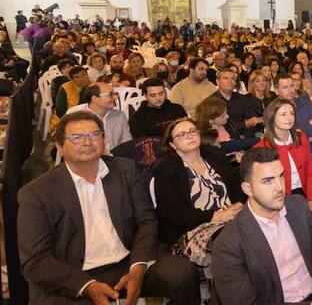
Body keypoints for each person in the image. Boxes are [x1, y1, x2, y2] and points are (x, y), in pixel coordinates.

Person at [18, 111, 199, 304]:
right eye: (77, 137)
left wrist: (138, 267)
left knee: (182, 273)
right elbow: (36, 259)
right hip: (75, 272)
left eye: (94, 134)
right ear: (60, 147)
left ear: (104, 140)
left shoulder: (125, 169)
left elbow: (146, 221)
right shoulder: (37, 192)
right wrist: (87, 286)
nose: (88, 142)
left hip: (128, 260)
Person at [211, 147, 312, 304]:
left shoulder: (298, 206)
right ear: (248, 189)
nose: (279, 187)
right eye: (267, 181)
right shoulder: (227, 245)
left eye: (280, 176)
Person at [153, 117, 245, 246]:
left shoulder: (214, 154)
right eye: (182, 135)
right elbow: (173, 213)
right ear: (172, 144)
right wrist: (217, 216)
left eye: (192, 131)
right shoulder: (165, 169)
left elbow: (236, 185)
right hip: (193, 230)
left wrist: (238, 204)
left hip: (231, 218)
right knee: (239, 236)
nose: (189, 136)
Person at [254, 98, 312, 209]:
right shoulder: (261, 148)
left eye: (292, 113)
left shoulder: (301, 137)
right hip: (280, 199)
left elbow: (311, 172)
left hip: (304, 192)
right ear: (272, 117)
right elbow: (265, 187)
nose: (289, 118)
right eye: (283, 114)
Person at [69, 82, 132, 155]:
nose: (115, 97)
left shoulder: (119, 116)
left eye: (114, 94)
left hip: (116, 158)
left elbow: (127, 144)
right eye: (110, 95)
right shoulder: (77, 119)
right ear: (95, 99)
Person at [274, 73, 312, 149]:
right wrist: (309, 127)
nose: (290, 90)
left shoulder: (304, 101)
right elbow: (292, 138)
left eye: (291, 86)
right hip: (295, 150)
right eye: (285, 87)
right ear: (276, 90)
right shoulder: (273, 111)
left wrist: (302, 132)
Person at [196, 97, 261, 154]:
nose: (227, 116)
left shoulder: (228, 123)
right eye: (222, 116)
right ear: (210, 120)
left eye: (226, 113)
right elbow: (233, 145)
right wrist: (259, 139)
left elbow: (238, 140)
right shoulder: (208, 138)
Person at [209, 68, 261, 138]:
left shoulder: (243, 98)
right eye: (226, 78)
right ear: (217, 82)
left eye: (233, 78)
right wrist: (244, 124)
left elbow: (254, 122)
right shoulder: (210, 102)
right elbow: (218, 128)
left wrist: (244, 137)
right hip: (222, 139)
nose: (230, 81)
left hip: (246, 138)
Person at [52, 66, 92, 135]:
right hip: (67, 119)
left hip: (91, 118)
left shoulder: (95, 85)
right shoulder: (65, 88)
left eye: (84, 75)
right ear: (72, 80)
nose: (82, 79)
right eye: (77, 77)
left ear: (88, 75)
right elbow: (60, 111)